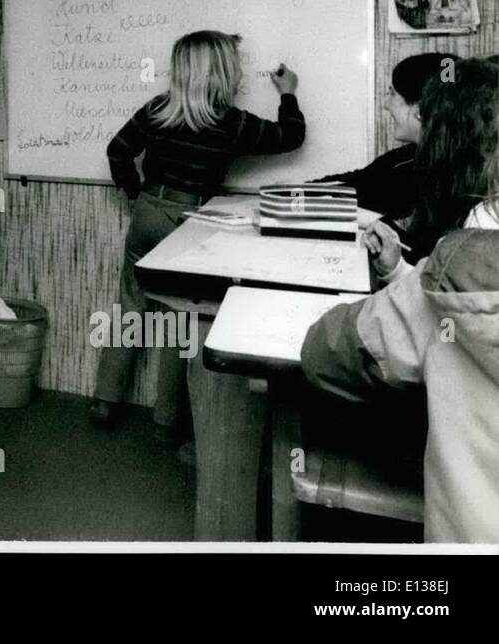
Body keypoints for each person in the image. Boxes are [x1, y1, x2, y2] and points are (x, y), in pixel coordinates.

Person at [301, 56, 499, 542]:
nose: (387, 106)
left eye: (395, 97)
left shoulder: (461, 257)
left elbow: (328, 352)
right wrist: (397, 269)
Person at [95, 30, 305, 442]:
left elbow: (117, 149)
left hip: (150, 211)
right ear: (222, 72)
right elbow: (291, 136)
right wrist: (288, 93)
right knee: (181, 318)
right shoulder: (231, 122)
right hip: (192, 221)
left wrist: (137, 192)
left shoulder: (158, 109)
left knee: (130, 307)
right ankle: (165, 421)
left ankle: (105, 400)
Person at [313, 52, 457, 261]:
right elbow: (360, 182)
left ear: (419, 110)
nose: (385, 104)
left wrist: (371, 220)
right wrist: (294, 192)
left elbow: (439, 264)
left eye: (392, 94)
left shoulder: (454, 175)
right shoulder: (410, 158)